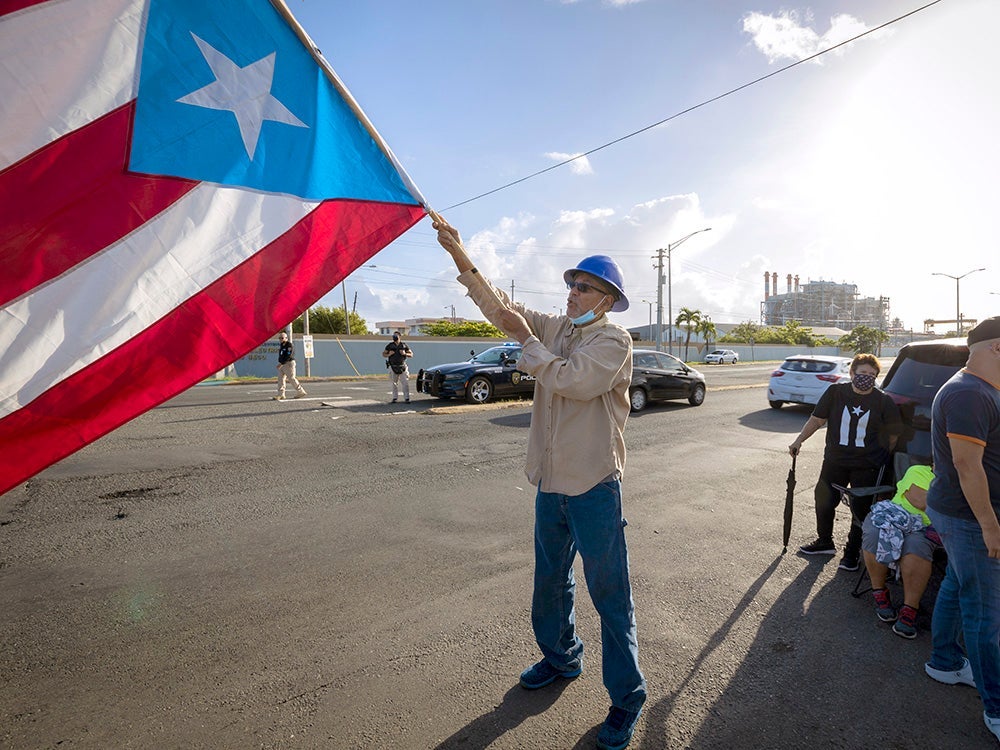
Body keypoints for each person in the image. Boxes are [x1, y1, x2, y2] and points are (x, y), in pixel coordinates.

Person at [434, 215, 646, 750]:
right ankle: (560, 658)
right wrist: (461, 256)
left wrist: (531, 349)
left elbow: (572, 381)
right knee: (550, 582)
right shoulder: (559, 329)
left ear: (606, 299)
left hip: (594, 484)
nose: (571, 292)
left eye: (583, 287)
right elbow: (505, 314)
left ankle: (626, 700)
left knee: (610, 593)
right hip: (552, 482)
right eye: (570, 284)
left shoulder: (614, 341)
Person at [922, 316, 1000, 743]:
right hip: (970, 519)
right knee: (984, 612)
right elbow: (967, 466)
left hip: (961, 514)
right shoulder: (969, 393)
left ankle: (945, 662)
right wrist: (990, 526)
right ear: (996, 348)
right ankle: (997, 708)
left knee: (956, 583)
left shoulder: (977, 387)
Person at [789, 353, 902, 571]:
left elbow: (893, 435)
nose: (866, 377)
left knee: (860, 510)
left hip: (867, 465)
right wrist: (799, 440)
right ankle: (825, 542)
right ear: (851, 373)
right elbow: (818, 419)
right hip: (835, 461)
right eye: (862, 373)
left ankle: (851, 554)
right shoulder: (836, 393)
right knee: (823, 501)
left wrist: (880, 457)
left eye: (872, 374)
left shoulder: (883, 401)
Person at [860, 462, 937, 639]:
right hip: (894, 514)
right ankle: (879, 591)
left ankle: (910, 608)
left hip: (923, 527)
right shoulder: (918, 470)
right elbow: (919, 500)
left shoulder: (957, 482)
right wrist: (947, 499)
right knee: (874, 533)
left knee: (917, 546)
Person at [273, 331, 306, 401]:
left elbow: (288, 355)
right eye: (279, 338)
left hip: (288, 363)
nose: (281, 339)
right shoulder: (282, 345)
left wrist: (281, 363)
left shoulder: (289, 345)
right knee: (280, 379)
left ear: (286, 338)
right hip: (282, 364)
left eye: (282, 338)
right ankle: (281, 394)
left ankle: (300, 391)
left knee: (291, 378)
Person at [382, 332, 412, 403]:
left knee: (405, 383)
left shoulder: (404, 345)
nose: (394, 336)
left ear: (399, 336)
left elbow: (411, 354)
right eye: (393, 335)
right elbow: (383, 354)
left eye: (396, 335)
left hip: (402, 366)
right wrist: (389, 354)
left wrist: (405, 353)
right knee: (394, 383)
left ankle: (407, 398)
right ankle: (395, 398)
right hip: (393, 366)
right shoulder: (390, 345)